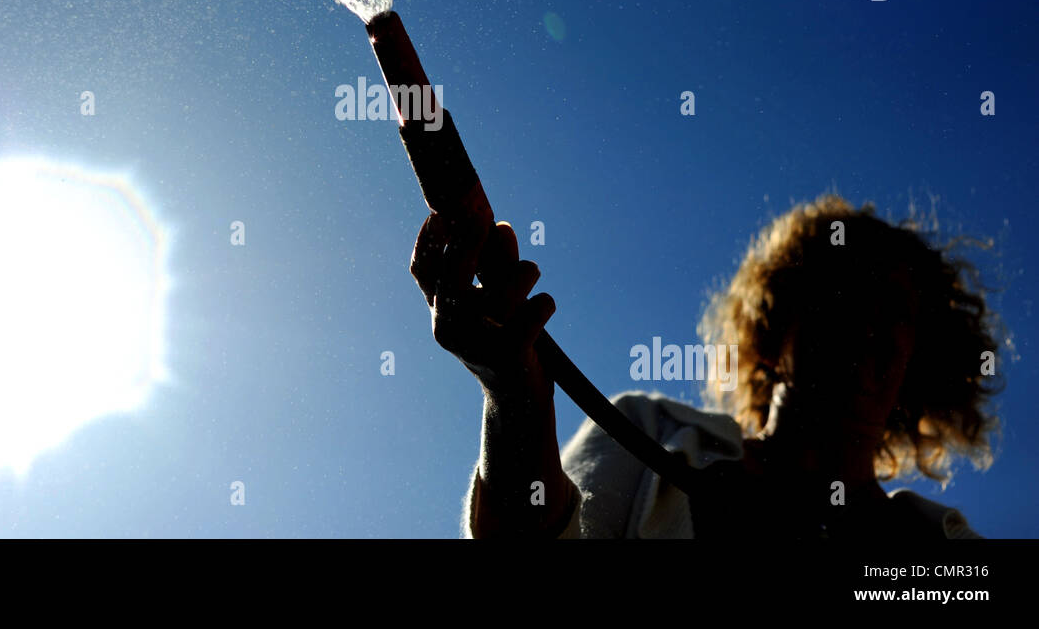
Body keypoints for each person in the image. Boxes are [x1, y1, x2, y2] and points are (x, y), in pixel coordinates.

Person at [410, 193, 1005, 538]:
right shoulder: (647, 431)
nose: (870, 336)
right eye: (846, 301)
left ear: (914, 363)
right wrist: (515, 401)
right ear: (776, 326)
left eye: (896, 318)